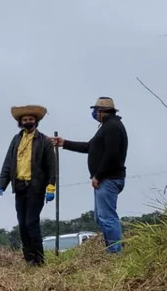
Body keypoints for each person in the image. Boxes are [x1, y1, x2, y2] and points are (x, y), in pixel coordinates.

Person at [50, 97, 128, 254]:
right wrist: (64, 143)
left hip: (109, 179)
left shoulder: (112, 127)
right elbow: (90, 147)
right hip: (105, 179)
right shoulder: (106, 127)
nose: (94, 113)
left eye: (96, 110)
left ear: (102, 112)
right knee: (101, 218)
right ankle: (111, 250)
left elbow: (111, 154)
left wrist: (98, 175)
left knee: (107, 217)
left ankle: (115, 252)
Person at [0, 104, 57, 266]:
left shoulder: (44, 141)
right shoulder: (16, 140)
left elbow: (52, 167)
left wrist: (51, 187)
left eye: (31, 119)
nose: (28, 122)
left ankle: (39, 259)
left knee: (31, 222)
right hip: (20, 186)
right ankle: (29, 259)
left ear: (36, 121)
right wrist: (1, 185)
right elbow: (8, 164)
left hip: (36, 187)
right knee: (22, 224)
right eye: (25, 120)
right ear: (20, 122)